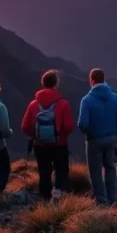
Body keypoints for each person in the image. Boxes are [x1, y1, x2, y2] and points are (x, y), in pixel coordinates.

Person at [21, 70, 76, 201]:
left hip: (40, 145)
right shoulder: (63, 104)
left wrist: (36, 135)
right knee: (61, 169)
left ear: (43, 83)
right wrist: (60, 135)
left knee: (44, 171)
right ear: (56, 84)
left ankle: (45, 198)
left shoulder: (33, 104)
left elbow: (24, 127)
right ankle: (57, 193)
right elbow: (69, 126)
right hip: (59, 144)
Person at [77, 68, 117, 205]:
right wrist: (113, 128)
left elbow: (83, 124)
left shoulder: (86, 100)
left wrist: (88, 131)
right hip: (111, 138)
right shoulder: (115, 97)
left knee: (95, 170)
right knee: (110, 167)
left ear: (91, 81)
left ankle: (101, 199)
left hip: (94, 140)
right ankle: (112, 198)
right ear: (104, 80)